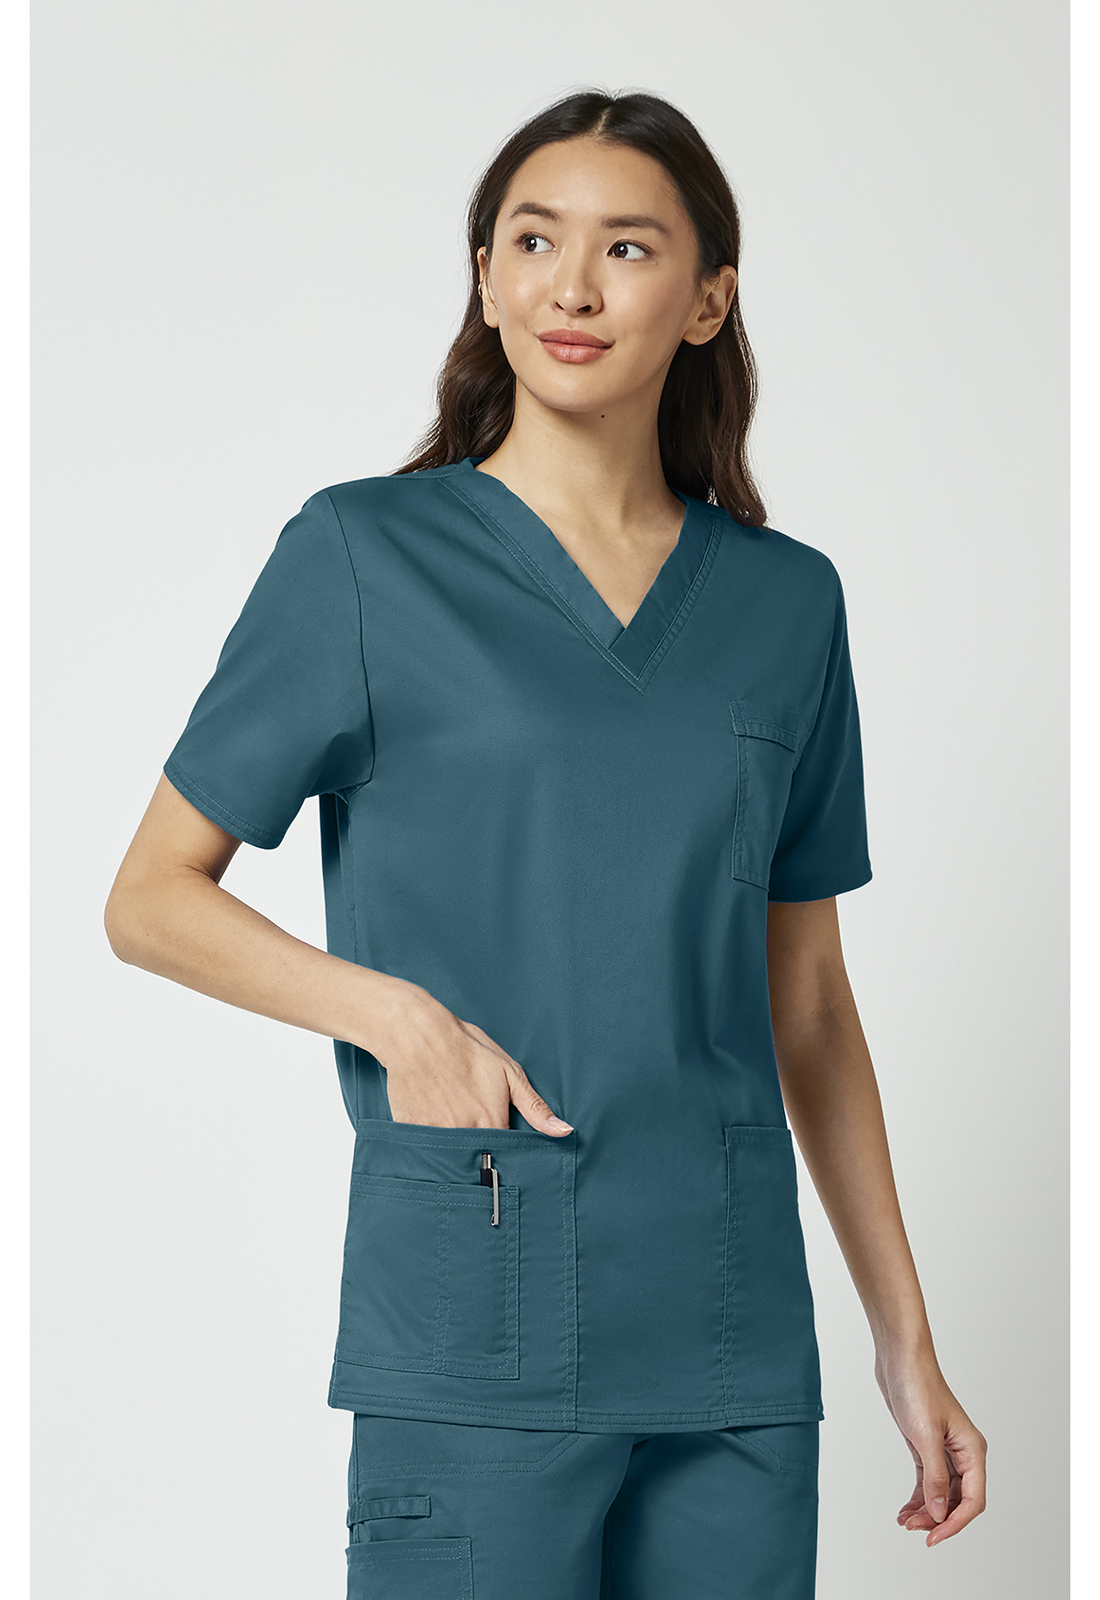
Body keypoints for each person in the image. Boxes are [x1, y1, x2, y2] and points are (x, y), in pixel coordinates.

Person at [104, 87, 987, 1600]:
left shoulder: (787, 604)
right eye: (533, 241)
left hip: (731, 1341)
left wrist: (906, 1343)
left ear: (707, 300)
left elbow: (810, 1005)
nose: (573, 286)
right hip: (476, 1312)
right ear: (487, 278)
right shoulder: (363, 558)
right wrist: (397, 1020)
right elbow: (149, 900)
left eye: (627, 247)